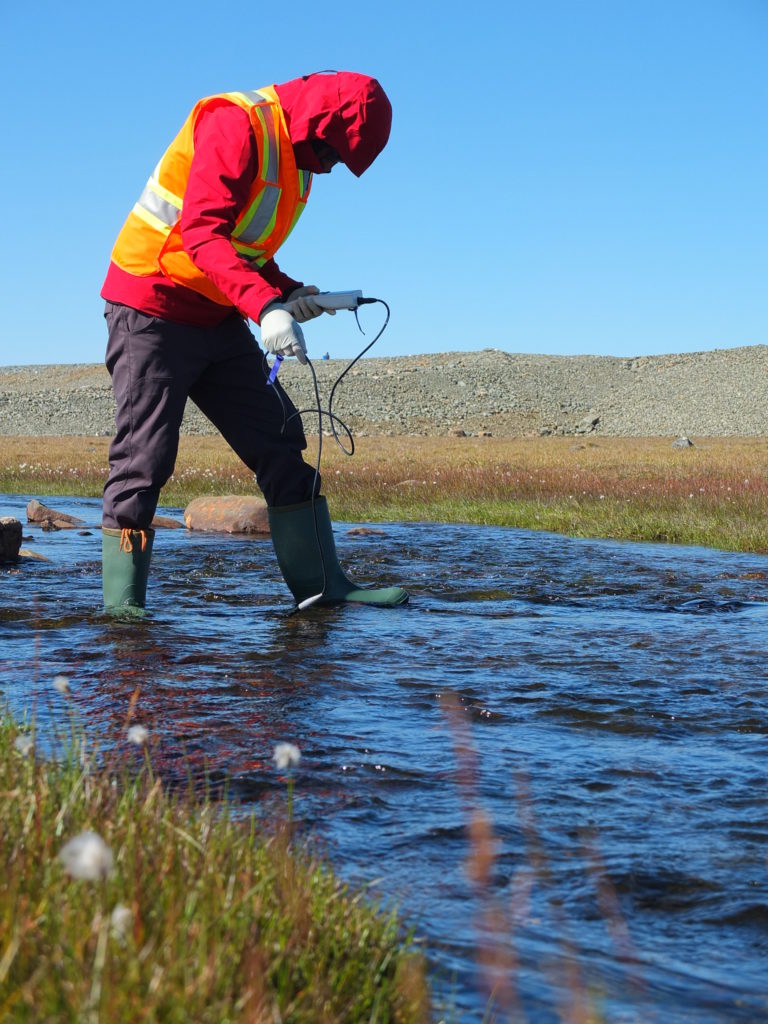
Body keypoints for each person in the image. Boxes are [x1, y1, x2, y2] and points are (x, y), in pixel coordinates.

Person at [100, 71, 407, 615]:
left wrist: (288, 293)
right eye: (331, 153)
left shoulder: (295, 163)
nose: (329, 167)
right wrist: (265, 307)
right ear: (316, 124)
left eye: (339, 162)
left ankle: (324, 588)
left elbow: (245, 249)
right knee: (144, 459)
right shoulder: (235, 124)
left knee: (279, 436)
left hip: (215, 313)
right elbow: (202, 234)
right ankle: (123, 613)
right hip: (151, 306)